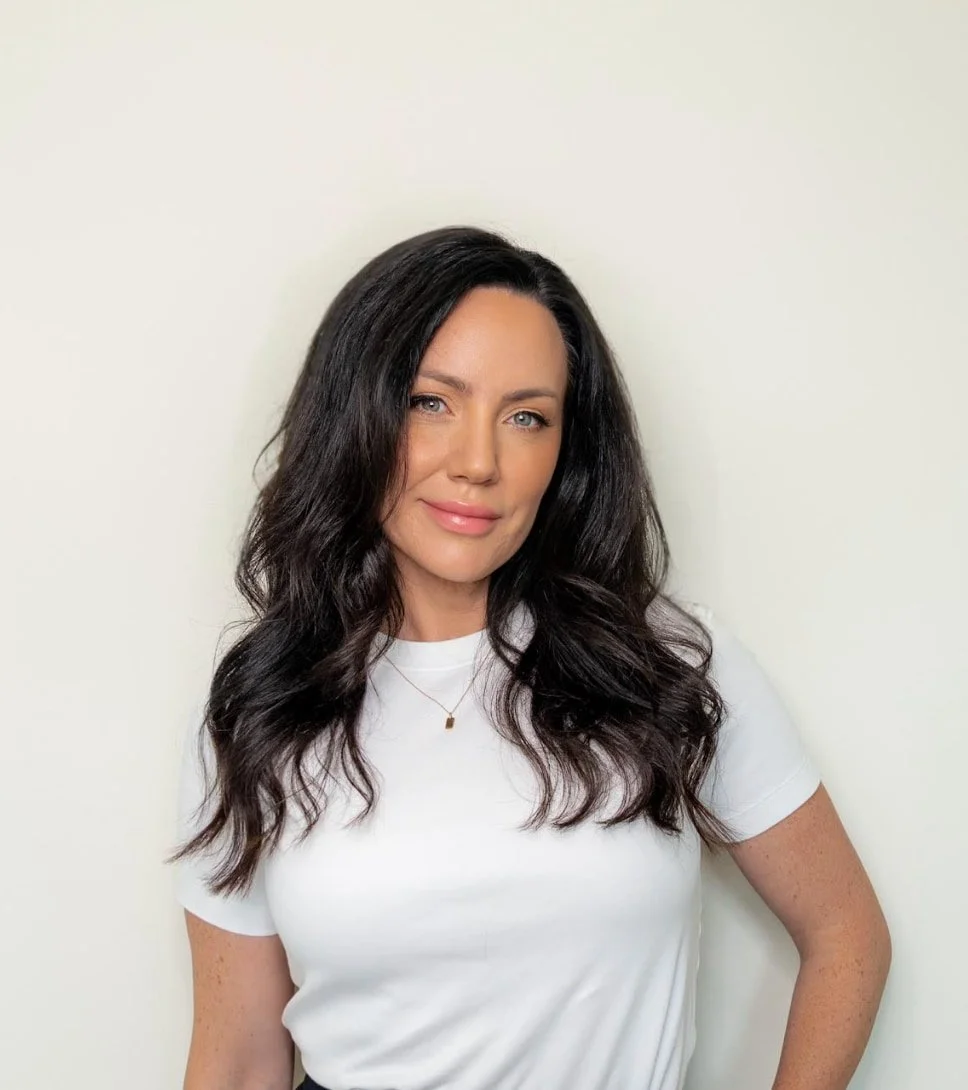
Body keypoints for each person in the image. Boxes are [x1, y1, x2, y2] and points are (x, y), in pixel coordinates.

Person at [170, 226, 891, 1090]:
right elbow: (241, 1055)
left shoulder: (665, 665)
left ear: (566, 449)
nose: (479, 463)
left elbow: (847, 930)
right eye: (431, 402)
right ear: (354, 415)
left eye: (526, 417)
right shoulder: (262, 705)